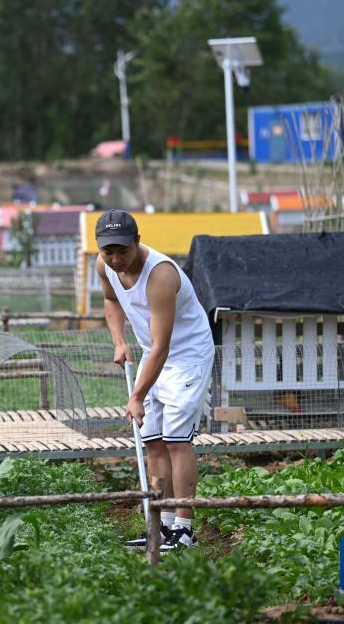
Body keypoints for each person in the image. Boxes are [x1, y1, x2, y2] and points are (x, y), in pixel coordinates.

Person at [94, 209, 214, 551]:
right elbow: (110, 300)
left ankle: (184, 529)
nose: (116, 259)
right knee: (153, 442)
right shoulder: (104, 267)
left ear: (138, 241)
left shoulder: (160, 275)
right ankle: (160, 527)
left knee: (177, 441)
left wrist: (136, 396)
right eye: (108, 251)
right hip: (153, 353)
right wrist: (118, 340)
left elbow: (162, 346)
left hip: (186, 355)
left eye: (123, 250)